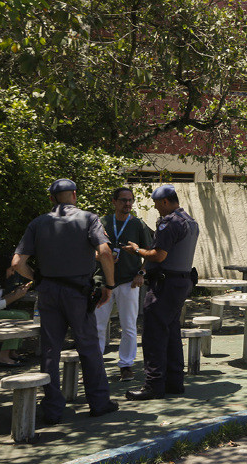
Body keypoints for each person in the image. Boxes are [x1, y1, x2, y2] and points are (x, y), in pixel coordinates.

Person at [12, 179, 119, 423]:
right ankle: (99, 403)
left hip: (48, 293)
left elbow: (17, 263)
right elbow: (104, 252)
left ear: (51, 199)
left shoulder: (38, 223)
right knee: (89, 347)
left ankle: (52, 408)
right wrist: (109, 285)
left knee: (50, 350)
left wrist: (38, 278)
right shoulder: (89, 218)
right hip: (78, 293)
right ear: (74, 195)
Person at [124, 184, 199, 401]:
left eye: (157, 205)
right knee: (172, 332)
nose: (157, 209)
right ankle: (174, 382)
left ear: (165, 202)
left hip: (165, 285)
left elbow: (158, 255)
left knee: (155, 335)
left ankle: (153, 385)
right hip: (181, 283)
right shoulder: (190, 221)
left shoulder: (171, 222)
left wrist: (137, 250)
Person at [93, 187, 153, 381]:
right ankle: (95, 365)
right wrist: (103, 257)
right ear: (114, 202)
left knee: (128, 325)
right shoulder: (101, 222)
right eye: (123, 200)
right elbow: (88, 251)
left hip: (129, 282)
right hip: (102, 281)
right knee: (99, 325)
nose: (127, 204)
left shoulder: (138, 224)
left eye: (130, 200)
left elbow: (151, 253)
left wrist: (141, 273)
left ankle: (126, 365)